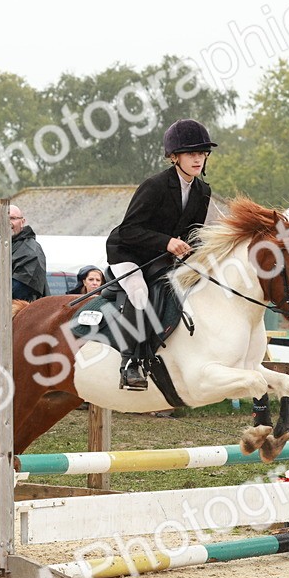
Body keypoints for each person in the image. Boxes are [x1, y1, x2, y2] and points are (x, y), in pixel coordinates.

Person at [106, 118, 215, 389]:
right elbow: (129, 229)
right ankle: (130, 363)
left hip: (162, 258)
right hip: (128, 252)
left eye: (202, 153)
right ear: (174, 156)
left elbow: (193, 232)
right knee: (139, 292)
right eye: (191, 153)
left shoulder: (203, 190)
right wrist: (166, 242)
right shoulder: (154, 185)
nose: (198, 159)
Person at [0, 204, 48, 322]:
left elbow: (21, 287)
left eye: (13, 218)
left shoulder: (31, 250)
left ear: (22, 222)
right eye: (4, 219)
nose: (8, 222)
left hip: (22, 321)